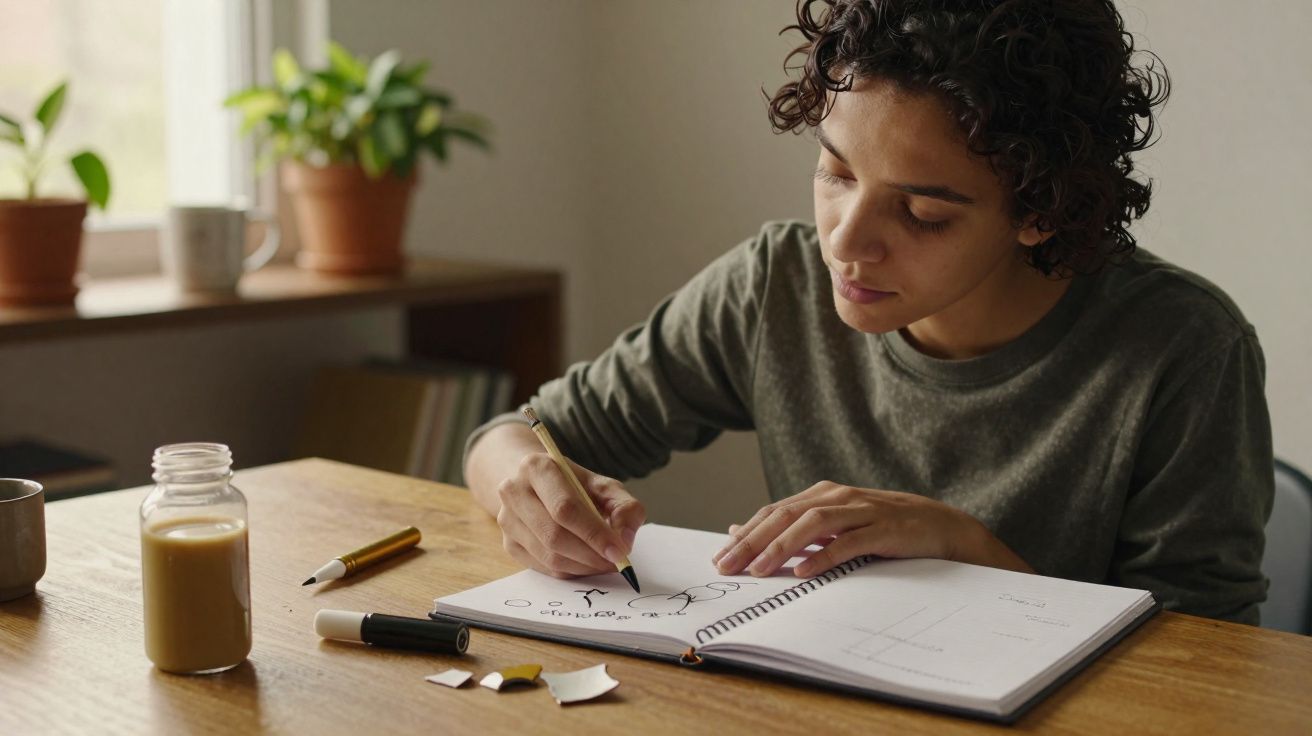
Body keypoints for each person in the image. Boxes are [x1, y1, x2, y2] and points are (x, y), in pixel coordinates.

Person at [464, 0, 1274, 624]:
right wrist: (524, 483)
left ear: (1042, 212)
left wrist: (965, 550)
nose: (847, 243)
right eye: (835, 173)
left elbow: (1209, 670)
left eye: (922, 213)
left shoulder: (1183, 348)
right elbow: (517, 435)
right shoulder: (773, 284)